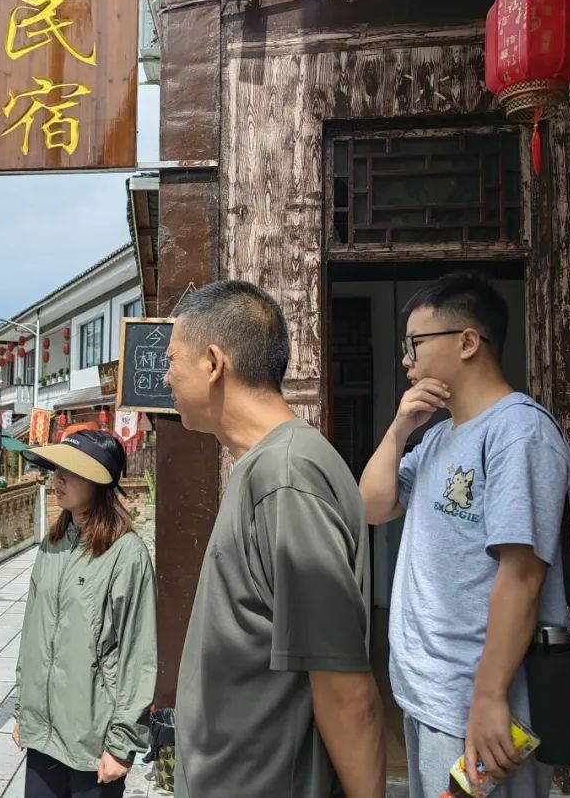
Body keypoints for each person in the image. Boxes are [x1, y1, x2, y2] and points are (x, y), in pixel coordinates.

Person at [166, 280, 385, 798]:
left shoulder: (287, 478)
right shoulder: (265, 467)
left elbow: (345, 689)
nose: (165, 376)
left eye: (172, 359)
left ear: (214, 363)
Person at [359, 274, 570, 798]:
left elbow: (522, 575)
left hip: (476, 705)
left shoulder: (518, 433)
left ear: (468, 341)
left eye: (415, 344)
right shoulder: (437, 436)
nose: (406, 361)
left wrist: (490, 698)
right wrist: (398, 430)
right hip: (430, 694)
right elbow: (372, 504)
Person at [13, 429, 157, 798]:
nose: (56, 479)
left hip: (93, 740)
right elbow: (33, 634)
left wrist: (121, 744)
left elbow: (138, 656)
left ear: (99, 481)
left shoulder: (127, 555)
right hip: (44, 733)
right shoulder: (54, 543)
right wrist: (24, 711)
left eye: (70, 471)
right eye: (55, 469)